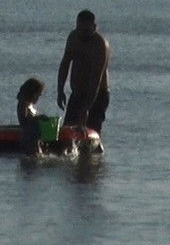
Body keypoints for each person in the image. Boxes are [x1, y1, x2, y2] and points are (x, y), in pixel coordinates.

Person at [57, 9, 110, 137]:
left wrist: (87, 108)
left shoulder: (99, 44)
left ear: (94, 27)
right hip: (77, 93)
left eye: (85, 31)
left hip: (97, 95)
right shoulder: (73, 37)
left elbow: (96, 78)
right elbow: (65, 64)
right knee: (68, 130)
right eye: (79, 29)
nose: (82, 34)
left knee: (91, 131)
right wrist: (60, 90)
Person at [17, 77, 45, 155]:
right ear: (33, 93)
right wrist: (39, 118)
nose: (38, 97)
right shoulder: (23, 104)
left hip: (35, 138)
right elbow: (23, 121)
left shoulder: (30, 105)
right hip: (29, 139)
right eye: (38, 95)